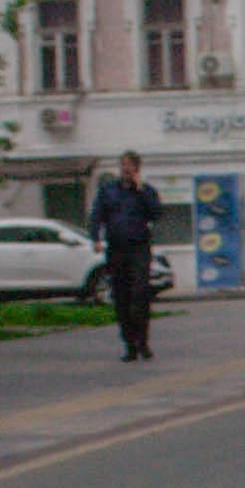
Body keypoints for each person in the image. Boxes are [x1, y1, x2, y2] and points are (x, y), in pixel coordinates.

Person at [86, 150, 159, 359]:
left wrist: (141, 190)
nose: (126, 169)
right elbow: (97, 215)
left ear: (137, 168)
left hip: (139, 247)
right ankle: (129, 344)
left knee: (140, 293)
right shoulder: (108, 190)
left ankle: (143, 341)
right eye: (124, 165)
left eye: (130, 165)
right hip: (117, 248)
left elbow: (156, 213)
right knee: (121, 296)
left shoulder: (146, 190)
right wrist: (95, 238)